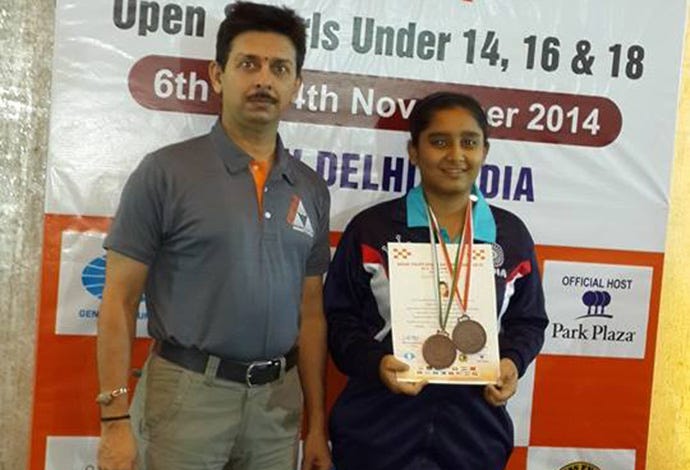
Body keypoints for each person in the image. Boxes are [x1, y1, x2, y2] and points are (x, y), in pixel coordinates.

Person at [96, 2, 332, 470]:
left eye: (279, 68)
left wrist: (317, 424)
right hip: (186, 398)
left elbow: (311, 314)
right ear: (218, 75)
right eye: (248, 64)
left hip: (277, 408)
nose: (264, 80)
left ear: (296, 85)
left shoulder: (310, 188)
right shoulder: (166, 172)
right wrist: (114, 418)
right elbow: (119, 301)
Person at [324, 91, 548, 470]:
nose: (456, 155)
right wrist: (376, 364)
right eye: (439, 142)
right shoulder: (372, 229)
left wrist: (512, 361)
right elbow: (340, 320)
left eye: (469, 142)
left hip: (474, 433)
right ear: (414, 151)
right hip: (377, 429)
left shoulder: (510, 235)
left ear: (485, 151)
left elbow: (528, 321)